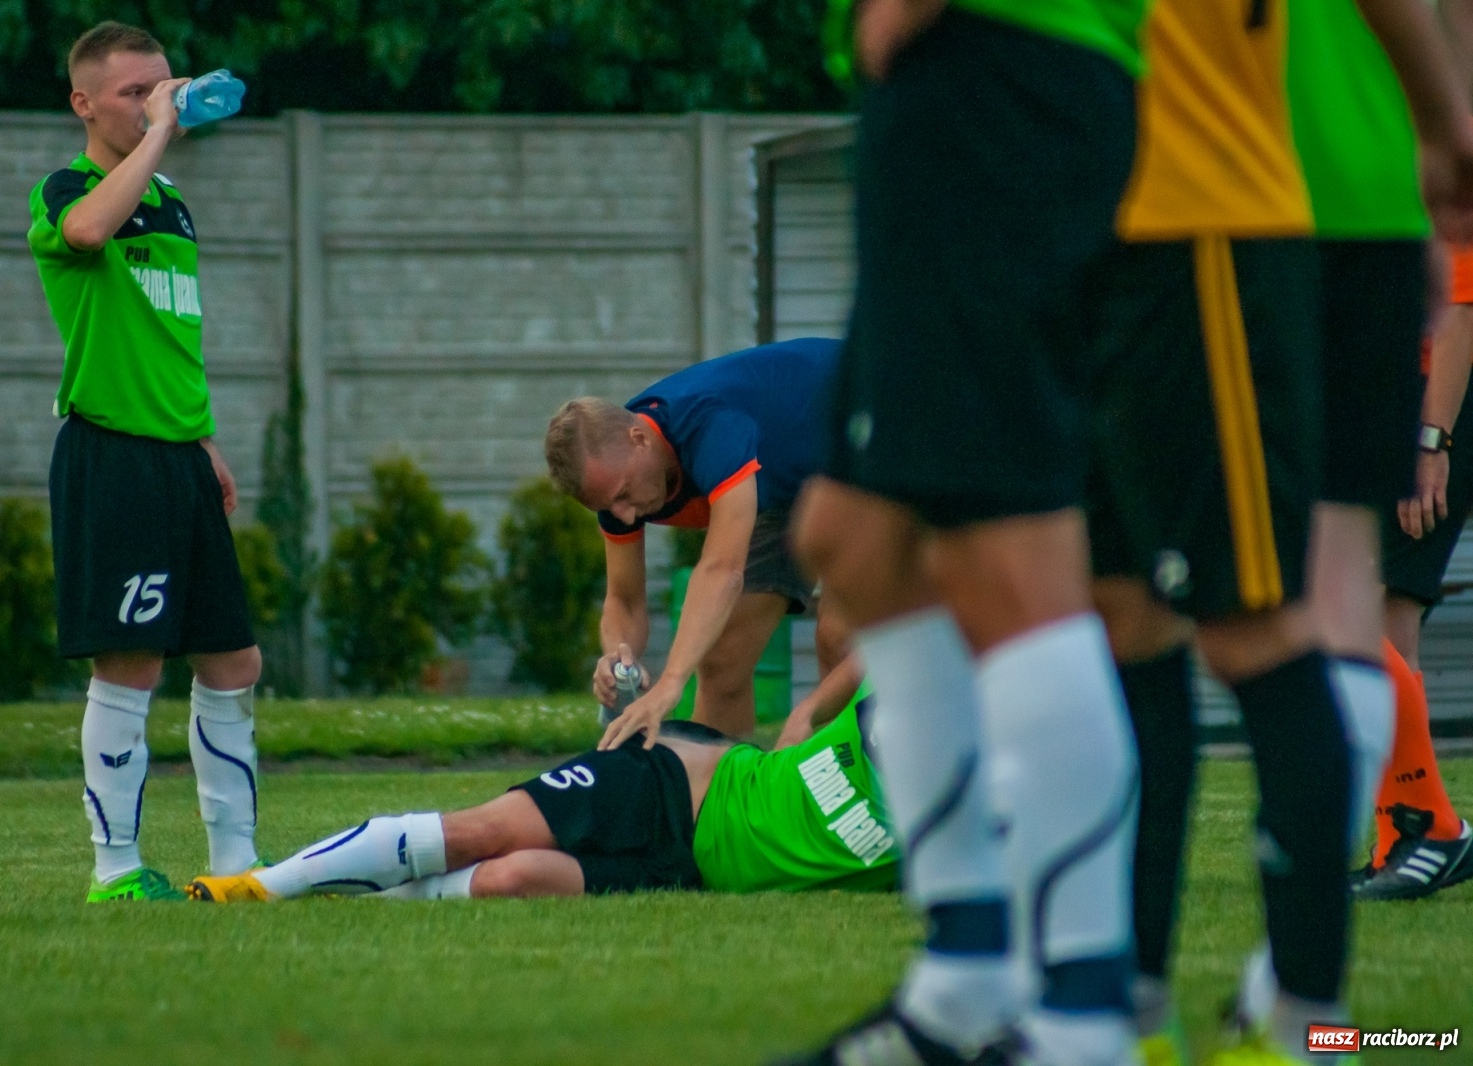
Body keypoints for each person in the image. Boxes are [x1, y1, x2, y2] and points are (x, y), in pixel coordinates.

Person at [1085, 2, 1473, 1063]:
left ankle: (1287, 1003)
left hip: (1242, 194)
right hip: (1368, 187)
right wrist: (1440, 139)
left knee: (1216, 615)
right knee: (1338, 597)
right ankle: (1297, 998)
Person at [780, 3, 1149, 1065]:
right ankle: (965, 974)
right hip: (980, 90)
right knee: (853, 539)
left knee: (1007, 555)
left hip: (992, 74)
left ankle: (1081, 1019)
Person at [27, 22, 264, 902]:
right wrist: (161, 130)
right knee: (131, 663)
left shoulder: (169, 201)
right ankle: (116, 870)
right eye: (134, 92)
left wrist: (203, 442)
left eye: (163, 86)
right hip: (113, 456)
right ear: (84, 103)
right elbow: (89, 230)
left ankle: (237, 865)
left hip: (179, 457)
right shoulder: (68, 190)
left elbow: (169, 339)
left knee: (233, 661)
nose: (155, 102)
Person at [183, 687, 895, 903]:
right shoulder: (908, 681)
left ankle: (355, 896)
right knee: (480, 833)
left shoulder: (948, 833)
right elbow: (870, 643)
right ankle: (262, 886)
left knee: (512, 879)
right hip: (676, 783)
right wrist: (807, 713)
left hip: (691, 872)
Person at [544, 337, 858, 742]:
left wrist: (671, 682)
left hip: (863, 436)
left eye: (623, 495)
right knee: (721, 659)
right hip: (783, 482)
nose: (625, 516)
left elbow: (722, 570)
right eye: (607, 506)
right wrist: (618, 657)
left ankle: (857, 774)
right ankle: (716, 783)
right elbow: (625, 600)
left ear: (639, 439)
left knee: (839, 636)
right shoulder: (615, 481)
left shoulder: (708, 426)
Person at [1357, 241, 1473, 901]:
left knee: (1378, 609)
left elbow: (1462, 308)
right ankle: (1398, 839)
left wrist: (1431, 440)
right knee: (1374, 612)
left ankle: (1427, 829)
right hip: (1398, 401)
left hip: (1438, 406)